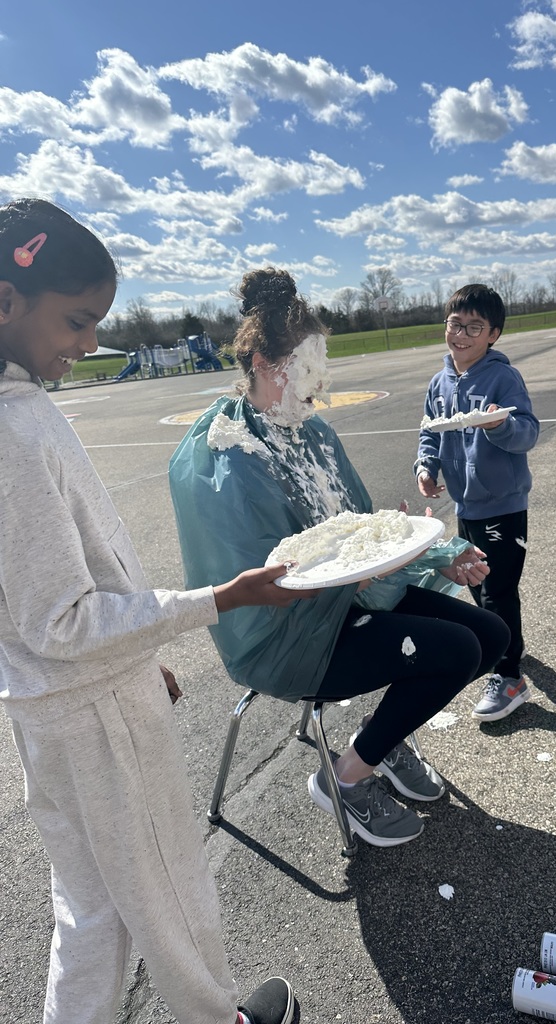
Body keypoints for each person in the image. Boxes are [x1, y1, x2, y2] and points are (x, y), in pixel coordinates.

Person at [0, 198, 305, 1024]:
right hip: (93, 715)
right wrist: (219, 599)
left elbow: (39, 605)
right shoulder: (15, 435)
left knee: (91, 913)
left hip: (51, 711)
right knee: (173, 889)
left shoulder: (18, 408)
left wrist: (139, 651)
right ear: (5, 301)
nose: (90, 344)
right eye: (75, 320)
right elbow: (62, 622)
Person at [169, 268, 510, 849]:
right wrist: (387, 566)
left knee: (491, 634)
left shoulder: (314, 433)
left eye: (320, 376)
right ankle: (344, 780)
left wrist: (435, 553)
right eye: (304, 376)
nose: (316, 393)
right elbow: (273, 579)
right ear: (259, 364)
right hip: (284, 634)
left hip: (346, 602)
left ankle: (382, 739)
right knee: (454, 651)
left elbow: (360, 526)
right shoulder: (226, 456)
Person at [415, 283, 540, 723]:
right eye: (455, 324)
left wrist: (498, 425)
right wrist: (425, 467)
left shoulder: (502, 377)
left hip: (502, 506)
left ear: (493, 334)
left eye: (474, 327)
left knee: (498, 591)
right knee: (475, 583)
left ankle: (509, 675)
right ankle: (503, 641)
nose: (462, 334)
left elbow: (528, 431)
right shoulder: (439, 381)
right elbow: (431, 430)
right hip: (465, 507)